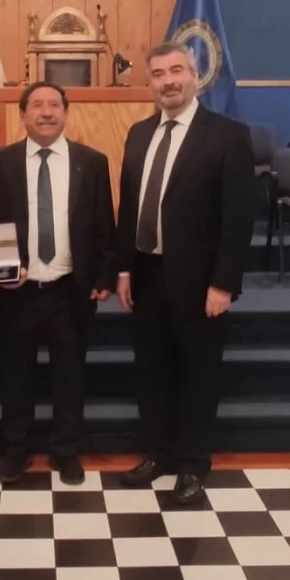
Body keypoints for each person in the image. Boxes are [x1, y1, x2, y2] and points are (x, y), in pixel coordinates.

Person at [117, 42, 254, 506]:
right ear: (150, 83)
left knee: (198, 373)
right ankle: (158, 454)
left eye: (177, 70)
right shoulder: (138, 134)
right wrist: (123, 270)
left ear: (194, 75)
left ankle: (193, 464)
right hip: (147, 275)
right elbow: (128, 210)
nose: (168, 80)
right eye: (158, 74)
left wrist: (224, 283)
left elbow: (239, 218)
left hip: (200, 283)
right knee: (152, 371)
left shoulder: (228, 135)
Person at [0, 81, 116, 486]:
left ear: (65, 111)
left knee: (70, 376)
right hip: (17, 294)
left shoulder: (91, 162)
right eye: (36, 105)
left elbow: (103, 226)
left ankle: (66, 452)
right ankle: (16, 452)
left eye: (54, 105)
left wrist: (104, 275)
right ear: (22, 114)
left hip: (69, 291)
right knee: (16, 377)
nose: (45, 112)